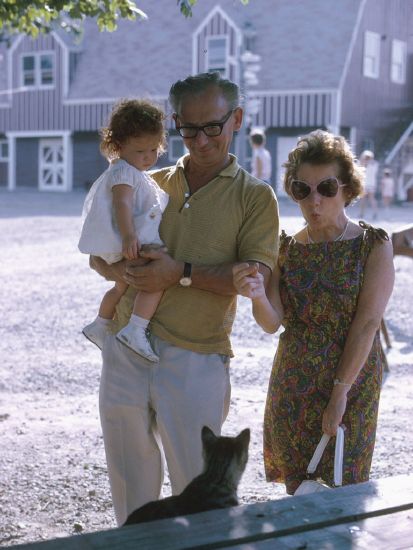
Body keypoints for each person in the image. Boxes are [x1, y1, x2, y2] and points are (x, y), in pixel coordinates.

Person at [89, 72, 279, 525]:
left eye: (211, 126)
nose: (199, 139)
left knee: (204, 496)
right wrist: (123, 271)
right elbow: (97, 256)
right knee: (129, 491)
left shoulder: (256, 197)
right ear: (174, 123)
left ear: (236, 118)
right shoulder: (144, 180)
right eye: (187, 128)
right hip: (125, 351)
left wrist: (181, 274)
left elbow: (253, 276)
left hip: (197, 356)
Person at [233, 130, 394, 494]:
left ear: (348, 190)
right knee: (300, 488)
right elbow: (271, 322)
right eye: (303, 190)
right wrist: (257, 295)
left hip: (352, 380)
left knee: (347, 485)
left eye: (327, 187)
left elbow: (367, 323)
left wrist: (340, 392)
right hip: (295, 380)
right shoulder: (285, 248)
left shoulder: (373, 245)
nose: (314, 200)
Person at [78, 99, 168, 362]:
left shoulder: (131, 171)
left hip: (122, 244)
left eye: (154, 149)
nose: (149, 157)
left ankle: (101, 323)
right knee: (155, 280)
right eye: (141, 151)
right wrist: (129, 235)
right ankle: (136, 329)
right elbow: (122, 203)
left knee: (120, 287)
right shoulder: (124, 173)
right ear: (118, 146)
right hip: (128, 242)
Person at [358, 150, 378, 219]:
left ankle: (362, 213)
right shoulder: (375, 164)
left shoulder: (363, 164)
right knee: (372, 198)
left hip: (365, 184)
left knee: (363, 200)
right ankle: (375, 212)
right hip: (372, 184)